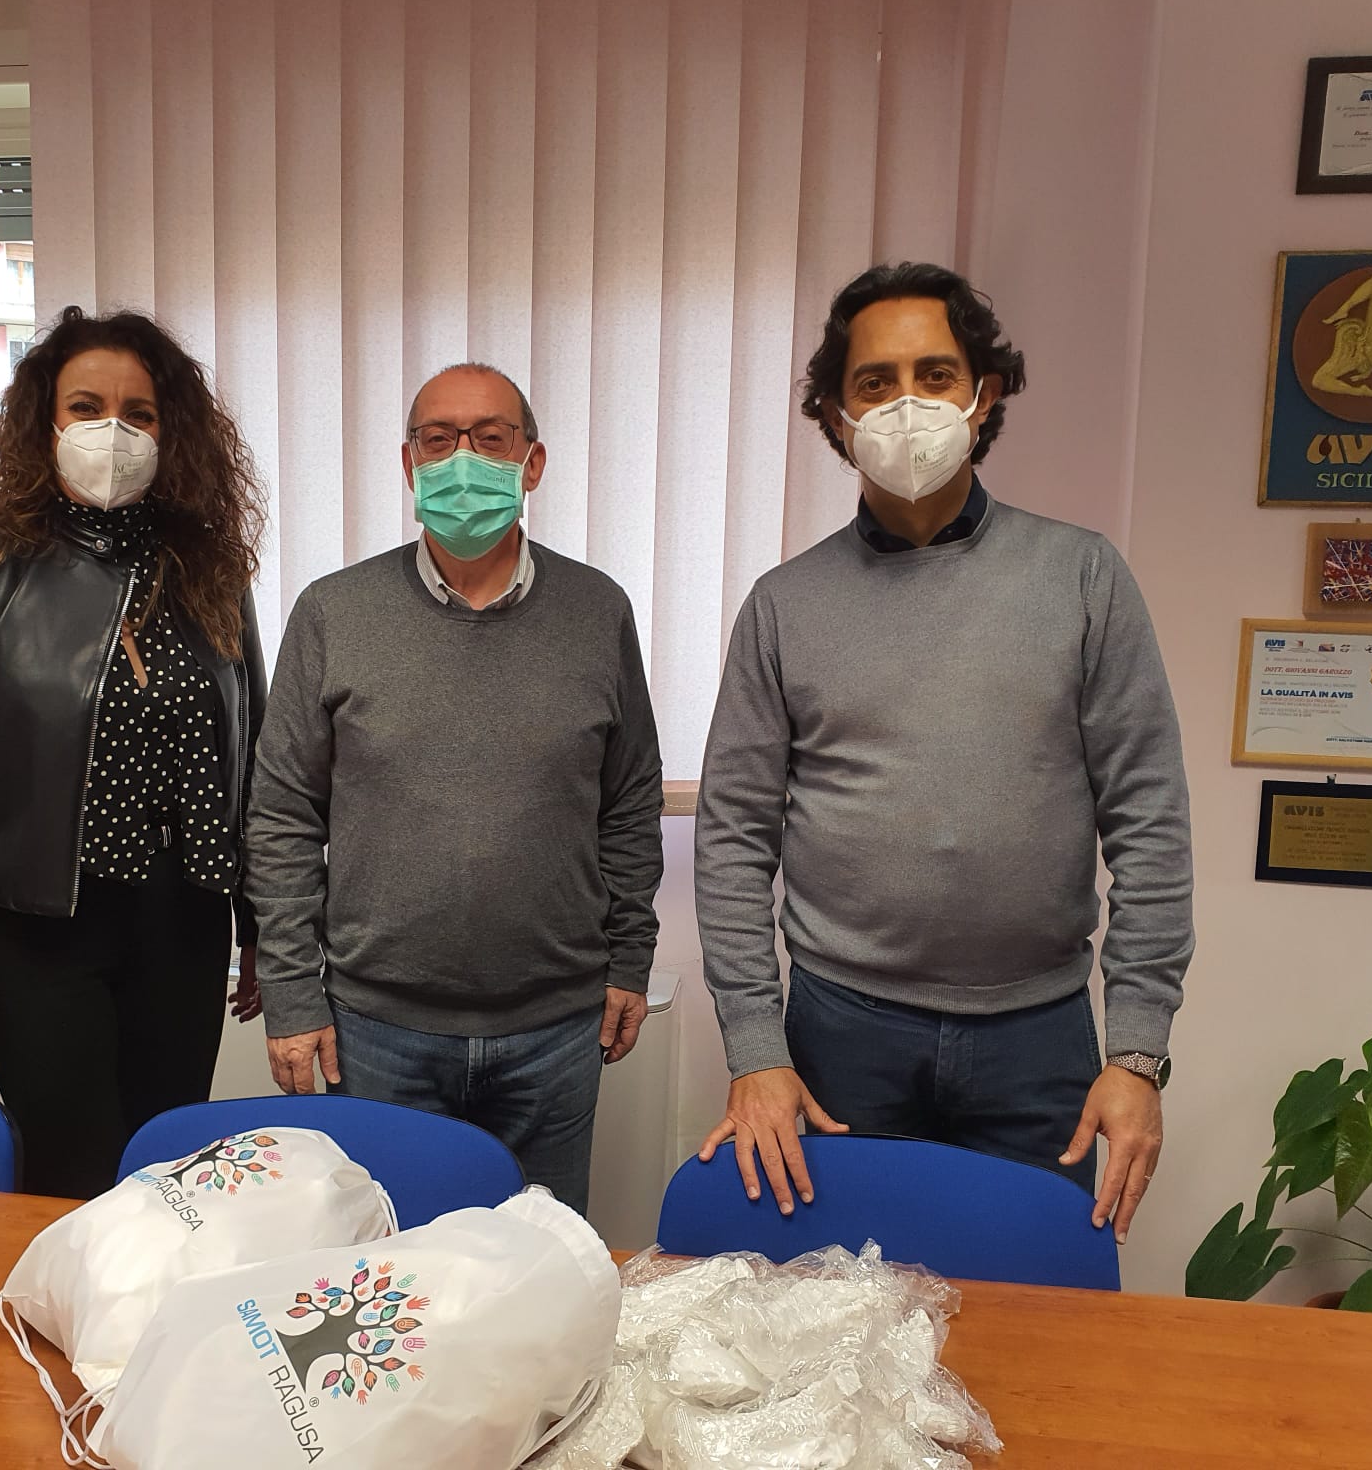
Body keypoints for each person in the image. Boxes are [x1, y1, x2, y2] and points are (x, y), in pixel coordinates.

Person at [695, 262, 1193, 1244]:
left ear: (983, 394)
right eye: (875, 382)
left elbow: (1150, 822)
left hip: (1039, 1038)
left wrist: (1137, 1053)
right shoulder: (784, 606)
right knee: (834, 1306)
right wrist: (755, 1047)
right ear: (837, 415)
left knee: (1031, 1306)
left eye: (934, 374)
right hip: (841, 1034)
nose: (906, 403)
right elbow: (731, 839)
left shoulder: (1083, 578)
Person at [0, 307, 269, 1199]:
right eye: (86, 407)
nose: (113, 431)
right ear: (45, 424)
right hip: (31, 929)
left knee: (164, 1174)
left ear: (172, 432)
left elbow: (256, 763)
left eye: (139, 413)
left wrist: (263, 932)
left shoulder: (210, 572)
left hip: (182, 925)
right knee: (73, 1174)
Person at [245, 363, 665, 1213]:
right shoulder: (333, 612)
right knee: (390, 1271)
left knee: (540, 1268)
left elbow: (629, 801)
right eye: (438, 440)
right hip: (375, 1031)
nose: (462, 458)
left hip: (557, 1029)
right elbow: (282, 815)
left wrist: (630, 959)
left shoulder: (598, 611)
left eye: (490, 439)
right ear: (409, 465)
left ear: (531, 463)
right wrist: (290, 994)